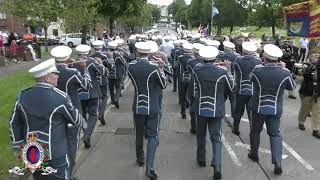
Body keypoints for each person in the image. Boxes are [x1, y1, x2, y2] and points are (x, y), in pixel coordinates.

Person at [9, 59, 86, 180]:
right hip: (56, 151)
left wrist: (18, 146)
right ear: (47, 78)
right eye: (55, 74)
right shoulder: (60, 97)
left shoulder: (22, 96)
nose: (57, 77)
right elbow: (76, 120)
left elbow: (13, 123)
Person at [248, 44, 296, 175]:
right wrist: (287, 70)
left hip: (258, 107)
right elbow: (292, 86)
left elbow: (250, 79)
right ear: (278, 59)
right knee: (275, 134)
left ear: (265, 57)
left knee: (255, 131)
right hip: (275, 108)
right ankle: (277, 162)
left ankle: (254, 153)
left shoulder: (258, 70)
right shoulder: (284, 73)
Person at [193, 46, 235, 180]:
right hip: (216, 108)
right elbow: (232, 87)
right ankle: (217, 166)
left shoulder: (197, 69)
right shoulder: (222, 72)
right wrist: (228, 69)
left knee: (201, 135)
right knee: (216, 138)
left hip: (200, 107)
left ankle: (201, 158)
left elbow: (195, 88)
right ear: (215, 58)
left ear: (203, 58)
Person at [128, 41, 166, 180]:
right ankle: (149, 168)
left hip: (138, 104)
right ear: (149, 52)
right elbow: (163, 84)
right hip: (153, 105)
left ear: (138, 52)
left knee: (138, 133)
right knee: (152, 136)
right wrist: (161, 67)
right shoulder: (154, 67)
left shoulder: (131, 66)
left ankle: (140, 158)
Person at [51, 45, 91, 180]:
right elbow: (86, 85)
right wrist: (84, 69)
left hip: (55, 114)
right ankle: (68, 174)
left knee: (58, 143)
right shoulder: (72, 72)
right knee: (72, 143)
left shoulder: (49, 73)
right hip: (72, 113)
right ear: (67, 58)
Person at [75, 44, 106, 148]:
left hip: (79, 93)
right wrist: (101, 64)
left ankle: (85, 132)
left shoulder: (73, 63)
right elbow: (102, 72)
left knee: (83, 114)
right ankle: (87, 135)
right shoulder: (92, 62)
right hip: (92, 92)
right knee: (93, 114)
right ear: (88, 52)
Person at [232, 42, 262, 136]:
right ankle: (252, 131)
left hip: (240, 89)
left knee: (238, 111)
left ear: (243, 50)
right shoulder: (258, 61)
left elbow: (235, 70)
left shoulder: (238, 59)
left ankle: (236, 128)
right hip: (253, 90)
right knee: (252, 113)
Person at [90, 40, 113, 125]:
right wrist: (110, 58)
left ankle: (97, 113)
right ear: (101, 47)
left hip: (93, 80)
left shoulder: (90, 56)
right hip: (103, 79)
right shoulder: (104, 56)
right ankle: (101, 114)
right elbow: (111, 67)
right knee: (105, 96)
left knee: (97, 98)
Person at [298, 52, 320, 139]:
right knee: (305, 108)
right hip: (308, 91)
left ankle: (316, 129)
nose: (317, 58)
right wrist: (310, 68)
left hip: (318, 92)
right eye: (315, 56)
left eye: (318, 56)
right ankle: (301, 122)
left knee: (317, 111)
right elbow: (304, 75)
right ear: (310, 58)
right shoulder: (308, 66)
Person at [187, 43, 204, 134]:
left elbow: (189, 70)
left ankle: (193, 127)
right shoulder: (204, 62)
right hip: (203, 89)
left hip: (193, 87)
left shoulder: (190, 61)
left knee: (192, 108)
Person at [179, 43, 194, 119]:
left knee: (182, 94)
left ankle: (183, 111)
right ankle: (190, 109)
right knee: (191, 95)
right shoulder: (192, 59)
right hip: (191, 78)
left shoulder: (181, 57)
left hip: (183, 77)